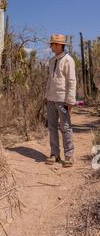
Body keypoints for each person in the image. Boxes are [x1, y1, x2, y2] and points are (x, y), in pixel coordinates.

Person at [44, 34, 76, 167]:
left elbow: (72, 80)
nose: (51, 46)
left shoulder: (68, 60)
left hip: (62, 100)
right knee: (52, 127)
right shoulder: (52, 61)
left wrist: (70, 100)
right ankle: (54, 154)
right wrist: (46, 96)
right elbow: (50, 80)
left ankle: (69, 156)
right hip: (51, 99)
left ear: (59, 45)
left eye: (52, 44)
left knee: (66, 127)